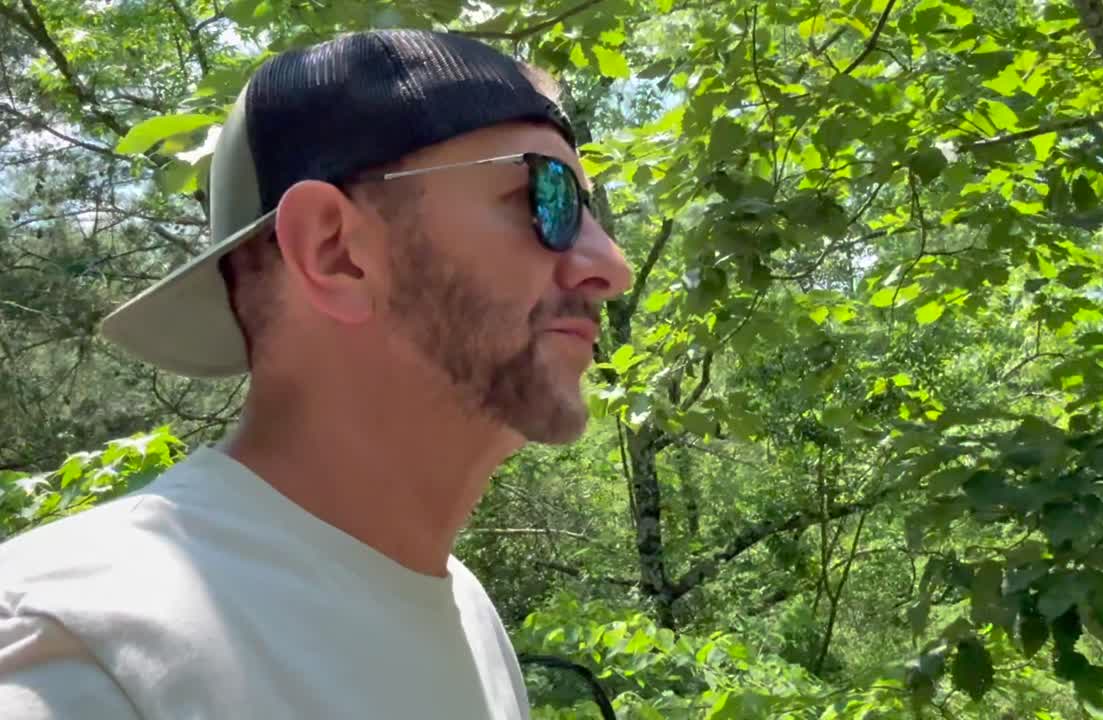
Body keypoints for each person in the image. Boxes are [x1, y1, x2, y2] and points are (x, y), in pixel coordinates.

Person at [0, 28, 632, 719]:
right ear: (335, 252)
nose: (612, 267)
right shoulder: (78, 647)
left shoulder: (467, 614)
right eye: (549, 197)